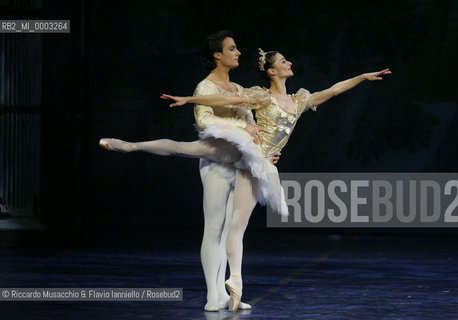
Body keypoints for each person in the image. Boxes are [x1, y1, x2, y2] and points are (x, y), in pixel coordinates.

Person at [100, 48, 391, 311]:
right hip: (243, 148)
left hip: (259, 164)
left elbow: (333, 90)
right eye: (283, 61)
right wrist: (191, 99)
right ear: (272, 71)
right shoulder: (261, 95)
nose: (290, 63)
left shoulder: (299, 100)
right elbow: (226, 99)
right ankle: (130, 145)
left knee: (236, 227)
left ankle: (235, 286)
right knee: (184, 148)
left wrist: (362, 77)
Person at [100, 31, 276, 312]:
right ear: (217, 54)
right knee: (214, 228)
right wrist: (244, 128)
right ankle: (213, 295)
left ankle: (229, 294)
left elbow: (253, 125)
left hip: (241, 164)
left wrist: (263, 148)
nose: (238, 52)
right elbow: (205, 122)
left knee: (233, 231)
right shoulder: (205, 88)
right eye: (232, 48)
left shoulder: (241, 90)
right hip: (217, 161)